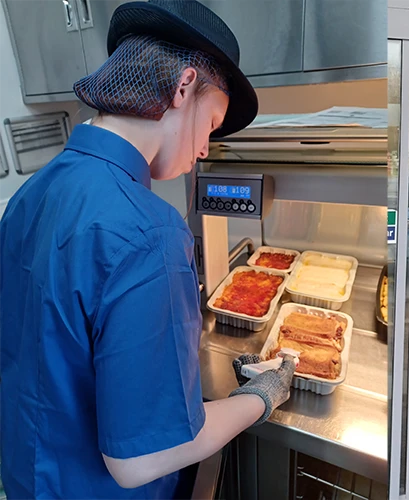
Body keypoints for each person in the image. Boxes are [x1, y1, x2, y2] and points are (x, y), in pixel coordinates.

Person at [0, 1, 296, 498]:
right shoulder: (148, 231)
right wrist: (261, 397)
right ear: (182, 88)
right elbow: (140, 459)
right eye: (211, 122)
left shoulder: (33, 191)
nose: (204, 148)